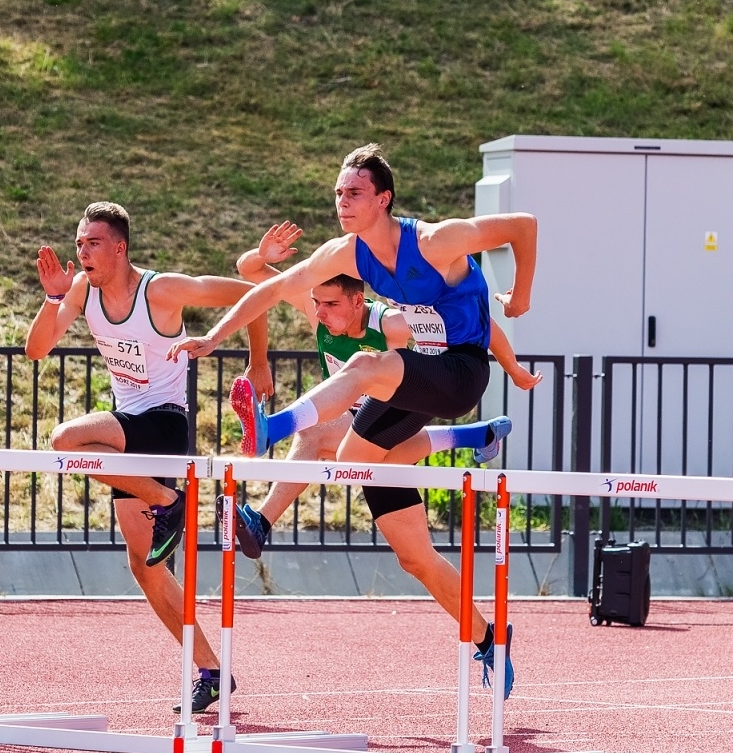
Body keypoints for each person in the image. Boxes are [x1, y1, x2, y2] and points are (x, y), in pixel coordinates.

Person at [169, 145, 537, 697]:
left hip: (458, 373)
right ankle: (489, 635)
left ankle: (274, 429)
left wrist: (520, 300)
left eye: (354, 193)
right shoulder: (345, 253)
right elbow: (269, 286)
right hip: (411, 385)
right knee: (390, 520)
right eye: (338, 193)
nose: (342, 202)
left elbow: (523, 226)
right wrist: (215, 338)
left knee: (365, 368)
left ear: (383, 199)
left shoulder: (437, 241)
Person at [25, 201, 272, 713]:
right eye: (78, 243)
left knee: (65, 441)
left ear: (119, 247)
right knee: (146, 569)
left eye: (92, 243)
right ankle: (211, 669)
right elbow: (36, 349)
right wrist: (52, 299)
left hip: (162, 425)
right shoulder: (80, 291)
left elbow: (254, 294)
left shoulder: (159, 290)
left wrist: (258, 359)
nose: (82, 252)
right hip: (126, 431)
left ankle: (167, 499)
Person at [229, 225, 542, 558]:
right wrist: (262, 255)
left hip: (396, 408)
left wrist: (513, 369)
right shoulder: (316, 309)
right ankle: (475, 435)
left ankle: (261, 520)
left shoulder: (391, 323)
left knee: (315, 434)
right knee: (344, 452)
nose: (322, 313)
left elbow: (484, 326)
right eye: (318, 303)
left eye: (332, 305)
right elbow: (251, 272)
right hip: (354, 417)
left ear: (357, 301)